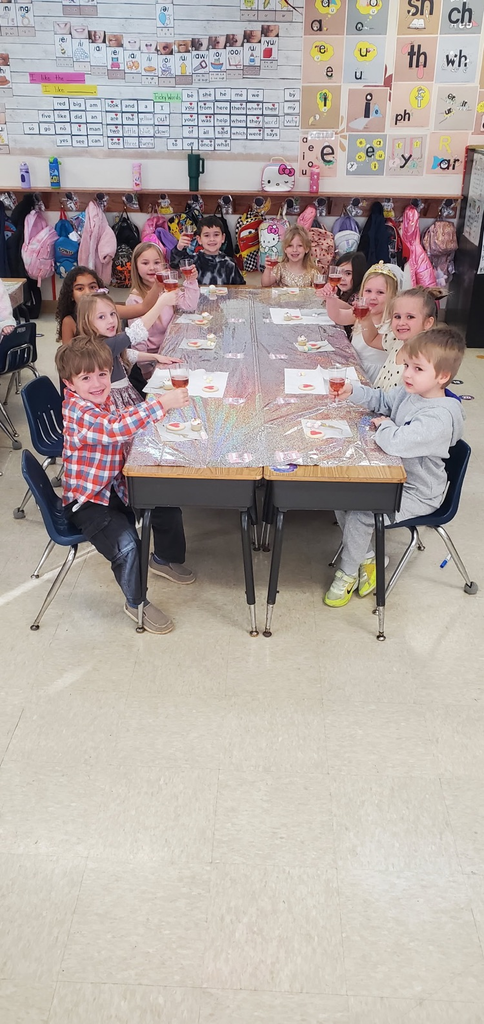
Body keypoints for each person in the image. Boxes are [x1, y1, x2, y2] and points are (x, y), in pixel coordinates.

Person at [56, 336, 193, 633]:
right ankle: (136, 602)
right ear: (70, 383)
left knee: (164, 502)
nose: (97, 383)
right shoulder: (77, 411)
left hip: (114, 486)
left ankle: (165, 558)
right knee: (128, 544)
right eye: (86, 377)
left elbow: (124, 422)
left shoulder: (101, 399)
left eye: (102, 374)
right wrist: (162, 404)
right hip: (88, 502)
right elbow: (115, 429)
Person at [324, 326, 466, 607]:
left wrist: (386, 426)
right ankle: (368, 557)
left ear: (442, 377)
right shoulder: (410, 392)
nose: (408, 374)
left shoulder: (438, 418)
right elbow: (383, 401)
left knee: (363, 514)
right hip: (395, 478)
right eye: (407, 365)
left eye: (418, 369)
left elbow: (397, 443)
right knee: (340, 495)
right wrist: (354, 392)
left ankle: (348, 572)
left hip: (418, 492)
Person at [76, 290, 181, 409]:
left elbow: (126, 355)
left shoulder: (100, 342)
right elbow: (137, 331)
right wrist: (161, 303)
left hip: (124, 394)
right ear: (86, 322)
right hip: (117, 403)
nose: (110, 320)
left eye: (112, 314)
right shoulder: (105, 344)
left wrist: (155, 356)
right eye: (101, 317)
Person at [127, 242, 199, 366]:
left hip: (174, 349)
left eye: (156, 263)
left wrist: (191, 281)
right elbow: (138, 341)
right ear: (136, 267)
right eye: (145, 263)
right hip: (153, 360)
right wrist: (146, 370)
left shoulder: (168, 288)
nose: (152, 268)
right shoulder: (134, 300)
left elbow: (189, 305)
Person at [55, 265, 163, 345]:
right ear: (71, 295)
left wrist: (158, 285)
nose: (88, 292)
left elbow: (143, 307)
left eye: (92, 287)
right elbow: (68, 359)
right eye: (80, 288)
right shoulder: (69, 321)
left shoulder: (109, 310)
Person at [374, 286, 442, 391]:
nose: (401, 323)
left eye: (410, 317)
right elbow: (372, 339)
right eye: (397, 317)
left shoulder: (425, 360)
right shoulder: (396, 341)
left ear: (428, 323)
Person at [348, 262, 400, 384]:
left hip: (376, 377)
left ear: (392, 296)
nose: (373, 297)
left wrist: (366, 319)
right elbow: (339, 316)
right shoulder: (360, 316)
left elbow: (373, 339)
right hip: (356, 371)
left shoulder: (392, 325)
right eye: (368, 291)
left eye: (380, 292)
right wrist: (330, 299)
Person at [170, 215, 245, 286]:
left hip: (224, 299)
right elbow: (174, 264)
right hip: (197, 299)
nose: (212, 239)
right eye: (206, 235)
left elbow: (241, 288)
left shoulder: (230, 263)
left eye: (216, 235)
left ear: (223, 238)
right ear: (199, 239)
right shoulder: (193, 261)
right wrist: (179, 247)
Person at [321, 251, 367, 329]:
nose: (342, 278)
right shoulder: (342, 292)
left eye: (348, 273)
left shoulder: (360, 295)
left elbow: (351, 310)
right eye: (339, 272)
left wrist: (330, 298)